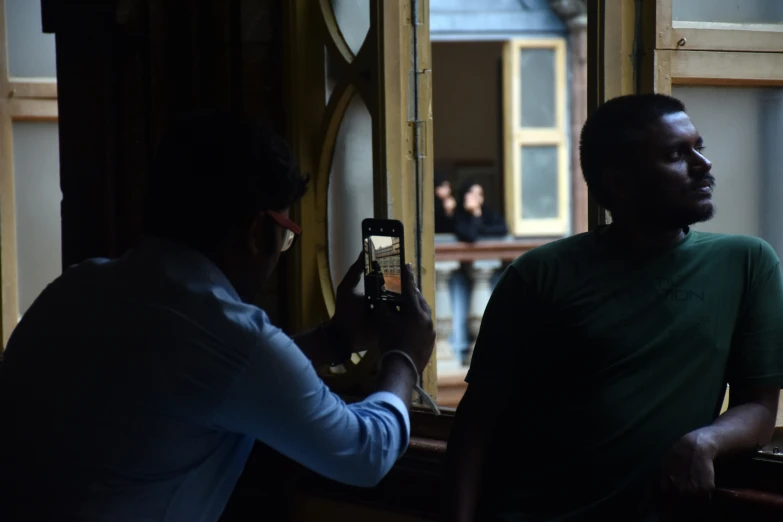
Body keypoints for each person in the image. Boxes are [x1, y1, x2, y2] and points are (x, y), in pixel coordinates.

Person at [0, 111, 436, 522]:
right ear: (255, 232)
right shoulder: (232, 338)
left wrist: (334, 339)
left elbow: (205, 379)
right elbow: (365, 454)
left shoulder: (76, 287)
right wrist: (404, 357)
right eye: (285, 237)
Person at [443, 94, 783, 522]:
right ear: (620, 182)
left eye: (699, 146)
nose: (703, 164)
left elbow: (759, 406)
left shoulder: (746, 263)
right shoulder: (539, 275)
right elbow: (476, 425)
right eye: (676, 154)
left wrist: (706, 441)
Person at [449, 181, 508, 366]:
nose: (476, 199)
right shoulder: (458, 215)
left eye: (479, 194)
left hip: (486, 275)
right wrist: (474, 216)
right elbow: (469, 235)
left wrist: (477, 215)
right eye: (471, 194)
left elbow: (502, 229)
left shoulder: (489, 213)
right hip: (460, 276)